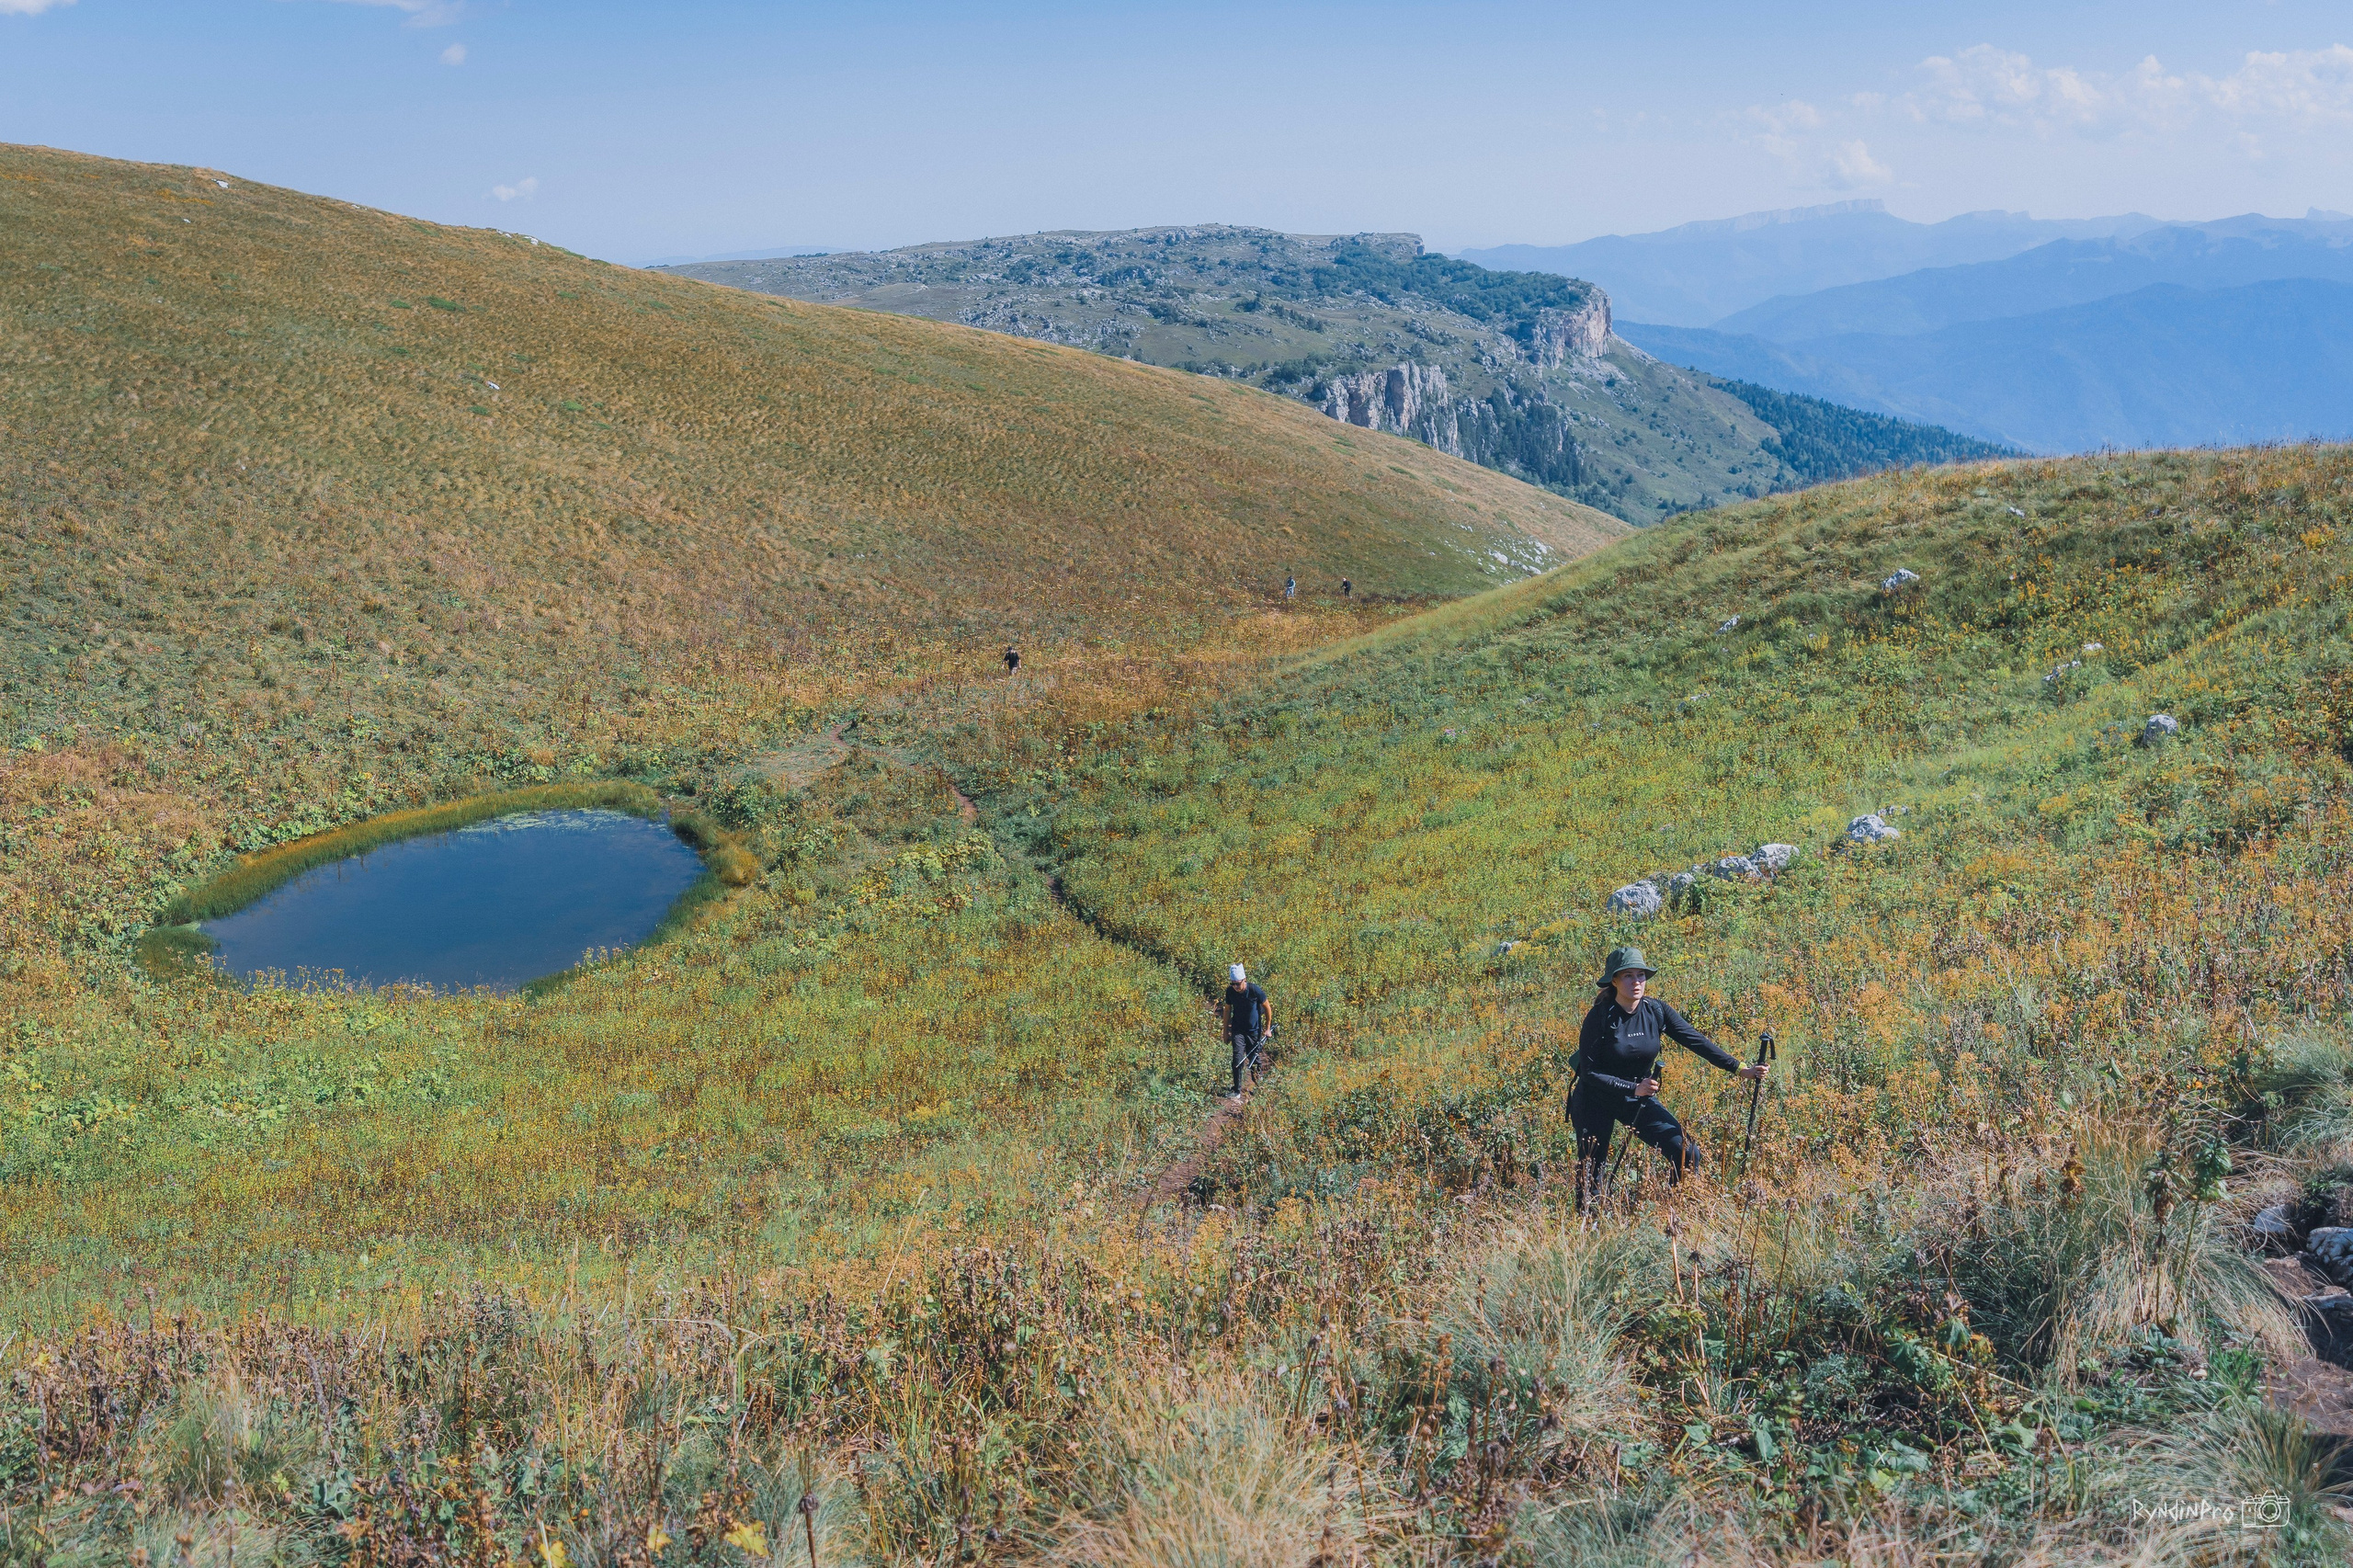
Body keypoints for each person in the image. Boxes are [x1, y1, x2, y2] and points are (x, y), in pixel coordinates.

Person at [1569, 947, 1766, 1204]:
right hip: (1595, 1099)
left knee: (1685, 1153)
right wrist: (1633, 1088)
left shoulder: (1656, 1010)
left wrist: (1740, 1069)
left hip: (1637, 1098)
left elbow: (1697, 1041)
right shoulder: (1599, 1017)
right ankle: (1590, 1228)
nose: (1636, 981)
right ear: (1614, 980)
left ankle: (1671, 1215)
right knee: (1592, 1172)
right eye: (1628, 975)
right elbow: (1591, 1072)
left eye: (1641, 975)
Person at [1222, 962, 1273, 1100]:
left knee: (1254, 1059)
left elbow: (1267, 1008)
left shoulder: (1255, 990)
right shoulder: (1230, 991)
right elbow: (1227, 1010)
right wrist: (1225, 1031)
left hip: (1254, 1031)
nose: (1236, 987)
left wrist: (1268, 1029)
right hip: (1238, 1030)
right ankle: (1236, 1090)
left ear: (1244, 980)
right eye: (1233, 984)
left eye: (1238, 984)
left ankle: (1259, 1088)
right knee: (1237, 1059)